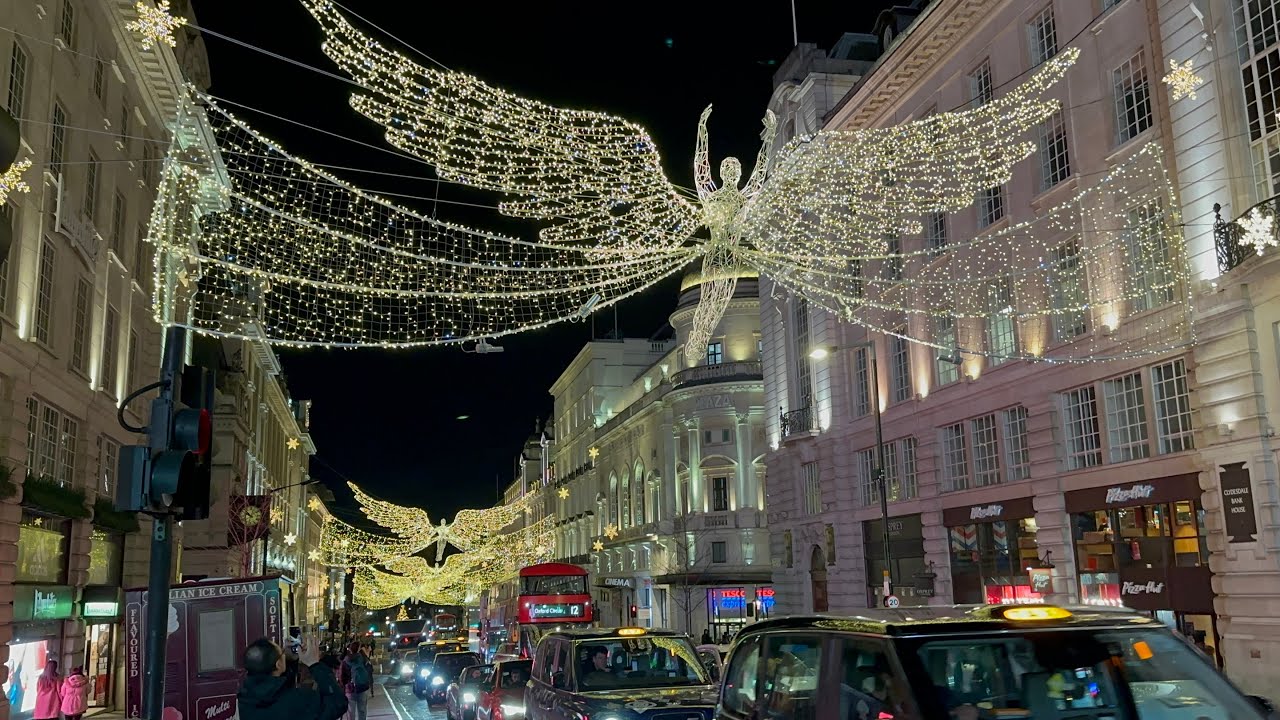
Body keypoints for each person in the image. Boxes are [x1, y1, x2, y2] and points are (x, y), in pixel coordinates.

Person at [237, 635, 347, 720]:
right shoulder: (300, 701)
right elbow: (338, 703)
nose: (284, 653)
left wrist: (289, 662)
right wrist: (314, 664)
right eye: (282, 653)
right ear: (278, 665)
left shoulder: (244, 700)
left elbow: (276, 692)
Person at [339, 641, 373, 720]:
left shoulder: (346, 660)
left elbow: (341, 675)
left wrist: (343, 686)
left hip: (349, 688)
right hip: (362, 687)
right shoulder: (362, 658)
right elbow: (370, 670)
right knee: (362, 710)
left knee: (351, 712)